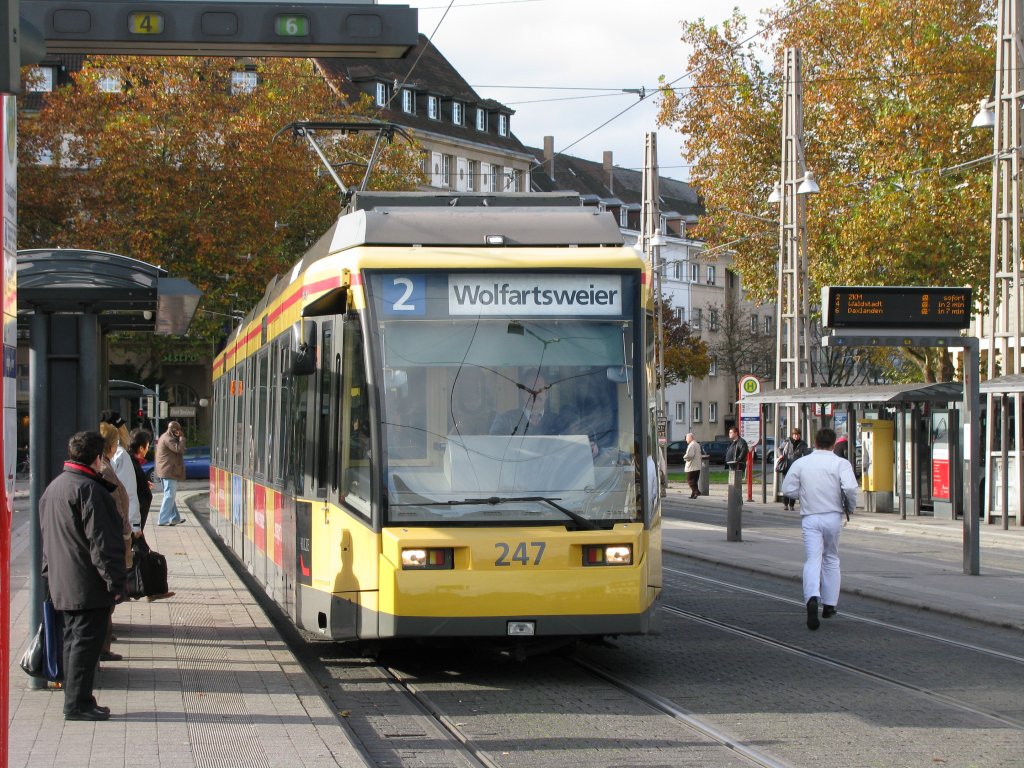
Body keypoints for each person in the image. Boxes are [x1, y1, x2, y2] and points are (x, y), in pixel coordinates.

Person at [39, 431, 126, 721]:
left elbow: (47, 538)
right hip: (86, 583)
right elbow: (101, 543)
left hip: (64, 580)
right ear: (97, 457)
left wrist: (48, 575)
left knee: (73, 642)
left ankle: (78, 699)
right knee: (85, 646)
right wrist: (115, 582)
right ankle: (77, 704)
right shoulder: (89, 490)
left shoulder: (55, 487)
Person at [780, 428, 858, 631]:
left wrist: (804, 495)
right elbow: (850, 488)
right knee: (831, 558)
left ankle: (812, 597)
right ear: (834, 444)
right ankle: (830, 604)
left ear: (814, 442)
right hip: (832, 516)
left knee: (813, 558)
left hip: (810, 516)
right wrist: (849, 507)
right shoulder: (840, 463)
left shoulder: (802, 463)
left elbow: (787, 489)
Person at [490, 372, 565, 436]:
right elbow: (494, 446)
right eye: (530, 389)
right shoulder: (505, 420)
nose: (535, 393)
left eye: (540, 389)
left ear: (546, 394)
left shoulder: (559, 422)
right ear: (522, 394)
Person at [155, 420, 187, 526]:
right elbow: (179, 449)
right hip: (169, 471)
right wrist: (182, 438)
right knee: (169, 495)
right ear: (173, 430)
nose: (179, 431)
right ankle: (162, 519)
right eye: (177, 430)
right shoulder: (168, 439)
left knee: (170, 495)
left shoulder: (165, 436)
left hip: (166, 470)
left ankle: (175, 518)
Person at [777, 427, 810, 510]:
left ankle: (792, 505)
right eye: (795, 435)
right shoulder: (787, 441)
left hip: (796, 467)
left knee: (794, 486)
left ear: (800, 435)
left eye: (798, 435)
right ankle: (785, 504)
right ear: (792, 435)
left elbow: (806, 455)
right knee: (786, 485)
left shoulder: (803, 444)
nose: (796, 436)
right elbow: (779, 449)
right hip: (786, 466)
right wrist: (780, 455)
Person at [129, 428, 154, 531]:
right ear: (141, 448)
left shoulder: (130, 461)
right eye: (147, 446)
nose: (148, 449)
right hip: (134, 521)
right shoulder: (132, 464)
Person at [683, 433, 702, 499]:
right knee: (695, 481)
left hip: (692, 466)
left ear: (690, 438)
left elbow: (690, 455)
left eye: (687, 438)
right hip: (697, 466)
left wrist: (684, 457)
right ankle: (693, 495)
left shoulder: (691, 445)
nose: (686, 440)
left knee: (690, 480)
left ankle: (697, 492)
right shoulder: (697, 444)